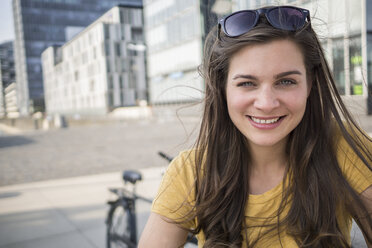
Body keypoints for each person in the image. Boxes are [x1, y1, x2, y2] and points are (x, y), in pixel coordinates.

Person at [139, 5, 372, 248]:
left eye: (286, 81)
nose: (266, 103)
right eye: (247, 83)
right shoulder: (191, 172)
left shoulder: (341, 145)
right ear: (222, 88)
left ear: (310, 84)